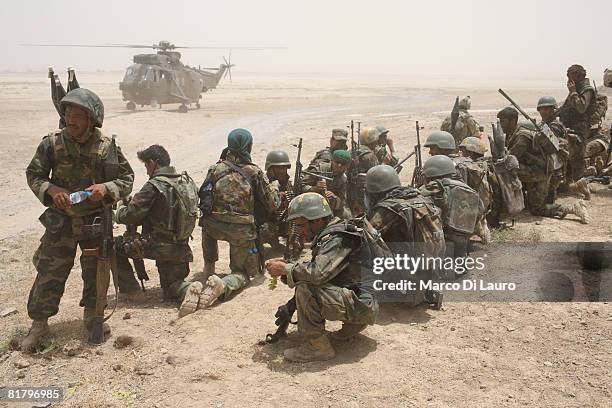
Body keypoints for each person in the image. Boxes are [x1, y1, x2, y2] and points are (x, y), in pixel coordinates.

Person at [13, 88, 134, 352]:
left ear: (92, 119)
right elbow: (35, 174)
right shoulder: (51, 144)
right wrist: (51, 190)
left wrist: (106, 188)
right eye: (68, 114)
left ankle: (93, 317)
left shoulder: (107, 148)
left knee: (95, 272)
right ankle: (39, 324)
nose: (71, 120)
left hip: (93, 223)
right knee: (49, 272)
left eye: (78, 115)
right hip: (61, 222)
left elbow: (126, 180)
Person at [265, 193, 384, 362]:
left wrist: (285, 269)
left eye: (302, 225)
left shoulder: (337, 238)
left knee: (306, 288)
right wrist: (290, 305)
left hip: (362, 305)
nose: (300, 232)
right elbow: (325, 273)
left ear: (317, 220)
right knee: (308, 281)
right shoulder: (334, 233)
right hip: (364, 300)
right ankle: (352, 326)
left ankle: (317, 348)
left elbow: (316, 274)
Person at [182, 129, 279, 317]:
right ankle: (224, 284)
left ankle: (209, 266)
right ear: (248, 146)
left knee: (208, 226)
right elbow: (273, 204)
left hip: (213, 227)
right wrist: (274, 186)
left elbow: (204, 195)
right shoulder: (254, 171)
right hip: (241, 230)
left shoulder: (215, 168)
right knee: (244, 273)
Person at [114, 145, 200, 308]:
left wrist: (119, 212)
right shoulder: (186, 181)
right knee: (171, 290)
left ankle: (132, 291)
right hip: (181, 247)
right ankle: (189, 288)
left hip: (159, 246)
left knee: (113, 246)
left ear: (153, 163)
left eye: (146, 165)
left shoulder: (154, 185)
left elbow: (131, 215)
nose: (146, 171)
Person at [366, 165, 445, 305]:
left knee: (367, 245)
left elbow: (369, 234)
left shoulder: (388, 207)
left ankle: (392, 290)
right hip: (430, 263)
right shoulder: (423, 199)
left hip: (407, 267)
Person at [497, 107, 590, 224]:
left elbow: (511, 159)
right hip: (539, 170)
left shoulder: (522, 136)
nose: (501, 125)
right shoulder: (518, 130)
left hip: (539, 173)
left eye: (503, 121)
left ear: (513, 121)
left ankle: (572, 208)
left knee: (536, 208)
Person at [419, 155, 482, 260]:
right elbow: (480, 210)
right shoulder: (466, 187)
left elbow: (417, 197)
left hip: (445, 237)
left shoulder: (437, 186)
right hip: (463, 236)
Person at [536, 96, 590, 201]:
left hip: (555, 167)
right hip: (555, 164)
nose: (544, 112)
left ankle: (578, 186)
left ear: (554, 110)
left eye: (548, 109)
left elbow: (551, 149)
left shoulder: (554, 126)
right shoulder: (547, 125)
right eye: (542, 109)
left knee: (543, 192)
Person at [302, 149, 352, 219]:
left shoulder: (343, 179)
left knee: (348, 217)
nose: (339, 166)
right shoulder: (319, 169)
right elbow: (301, 186)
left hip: (328, 206)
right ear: (332, 161)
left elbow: (342, 203)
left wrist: (334, 197)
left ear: (347, 166)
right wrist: (314, 188)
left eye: (343, 164)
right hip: (310, 202)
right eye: (337, 162)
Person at [260, 150, 294, 251]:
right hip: (264, 222)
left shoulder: (286, 183)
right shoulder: (263, 183)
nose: (282, 171)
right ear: (270, 169)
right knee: (265, 230)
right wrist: (276, 195)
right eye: (279, 168)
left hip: (279, 221)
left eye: (284, 168)